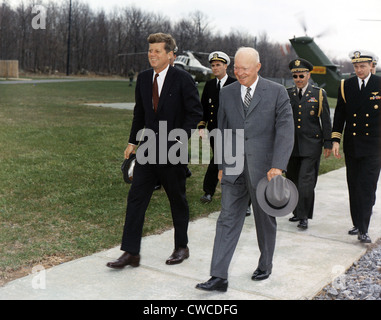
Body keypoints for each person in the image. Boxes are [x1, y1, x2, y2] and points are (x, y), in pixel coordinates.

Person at [196, 47, 294, 291]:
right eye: (236, 68)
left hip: (265, 170)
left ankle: (265, 263)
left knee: (264, 219)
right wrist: (220, 164)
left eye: (245, 69)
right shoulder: (227, 93)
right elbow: (222, 130)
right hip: (233, 167)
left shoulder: (277, 92)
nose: (239, 73)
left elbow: (285, 130)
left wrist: (278, 166)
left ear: (258, 67)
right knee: (227, 219)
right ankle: (218, 276)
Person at [106, 33, 203, 269]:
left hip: (173, 150)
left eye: (157, 51)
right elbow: (140, 113)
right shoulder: (143, 78)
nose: (152, 54)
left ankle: (182, 247)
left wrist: (179, 139)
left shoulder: (183, 79)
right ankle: (131, 252)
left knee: (177, 199)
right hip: (147, 150)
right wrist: (132, 141)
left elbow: (195, 113)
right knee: (136, 199)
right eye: (150, 51)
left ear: (171, 55)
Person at [332, 50, 381, 243]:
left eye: (362, 66)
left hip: (374, 146)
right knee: (353, 185)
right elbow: (340, 115)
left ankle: (364, 228)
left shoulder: (379, 84)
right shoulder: (346, 85)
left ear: (371, 66)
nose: (359, 70)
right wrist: (335, 139)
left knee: (367, 187)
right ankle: (357, 222)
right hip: (352, 145)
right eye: (356, 66)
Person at [286, 58, 332, 229]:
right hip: (291, 146)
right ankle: (297, 212)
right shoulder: (287, 93)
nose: (298, 79)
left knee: (306, 181)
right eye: (295, 76)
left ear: (308, 75)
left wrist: (328, 142)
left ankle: (304, 216)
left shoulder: (319, 94)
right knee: (292, 179)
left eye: (301, 75)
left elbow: (326, 120)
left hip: (311, 145)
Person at [198, 51, 236, 204]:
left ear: (226, 66)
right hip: (214, 130)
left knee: (221, 159)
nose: (215, 68)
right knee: (221, 159)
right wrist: (202, 126)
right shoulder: (209, 85)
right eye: (213, 66)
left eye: (218, 65)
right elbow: (204, 109)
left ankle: (208, 191)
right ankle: (217, 191)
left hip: (231, 131)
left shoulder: (235, 84)